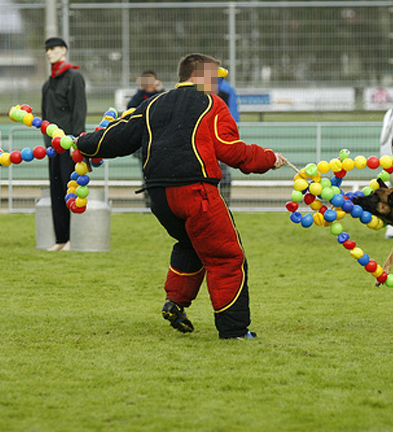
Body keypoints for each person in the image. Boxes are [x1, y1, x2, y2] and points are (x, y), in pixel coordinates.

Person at [75, 53, 286, 340]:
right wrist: (269, 159)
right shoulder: (212, 104)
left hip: (159, 197)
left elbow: (118, 137)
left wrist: (82, 144)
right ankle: (234, 331)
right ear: (199, 75)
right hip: (196, 192)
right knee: (226, 256)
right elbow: (231, 150)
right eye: (215, 76)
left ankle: (175, 302)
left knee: (191, 242)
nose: (217, 83)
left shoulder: (152, 104)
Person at [41, 37, 87, 251]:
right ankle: (61, 239)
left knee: (72, 190)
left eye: (54, 48)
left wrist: (75, 141)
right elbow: (45, 117)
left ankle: (73, 239)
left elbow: (79, 110)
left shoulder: (74, 77)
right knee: (56, 191)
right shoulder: (47, 83)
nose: (50, 53)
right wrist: (48, 143)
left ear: (64, 50)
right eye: (47, 49)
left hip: (70, 145)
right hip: (53, 147)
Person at [127, 71, 165, 208]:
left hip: (159, 143)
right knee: (146, 175)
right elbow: (130, 109)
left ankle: (160, 204)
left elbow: (165, 107)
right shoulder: (139, 96)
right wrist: (140, 90)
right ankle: (149, 205)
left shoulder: (161, 95)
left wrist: (160, 90)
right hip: (143, 144)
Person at [215, 71, 240, 206]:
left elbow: (233, 113)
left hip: (218, 137)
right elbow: (234, 113)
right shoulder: (228, 88)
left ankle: (223, 204)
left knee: (221, 172)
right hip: (222, 137)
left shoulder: (226, 89)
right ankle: (224, 205)